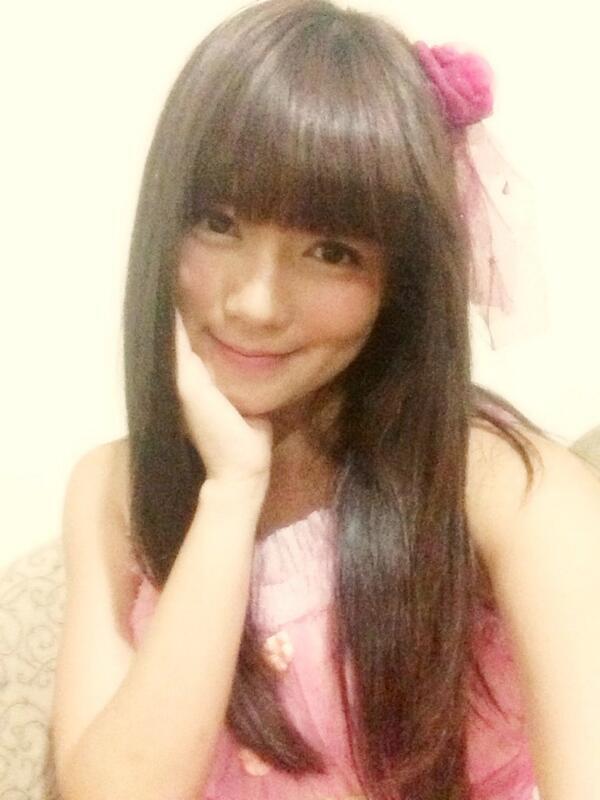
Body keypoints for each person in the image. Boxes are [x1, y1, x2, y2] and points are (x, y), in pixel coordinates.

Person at [49, 1, 600, 798]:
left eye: (331, 251)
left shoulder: (507, 486)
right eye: (218, 223)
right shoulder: (113, 488)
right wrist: (230, 494)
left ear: (399, 280)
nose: (255, 303)